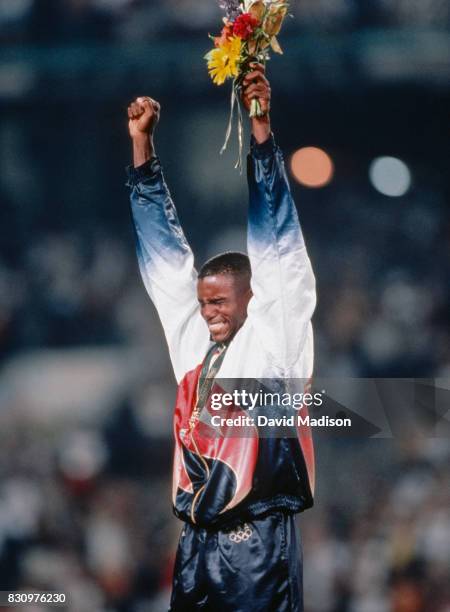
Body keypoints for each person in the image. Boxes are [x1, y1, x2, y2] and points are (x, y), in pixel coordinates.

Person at [126, 64, 316, 612]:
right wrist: (143, 156)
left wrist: (262, 134)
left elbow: (280, 251)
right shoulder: (195, 352)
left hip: (256, 543)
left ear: (251, 298)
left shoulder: (274, 344)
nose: (206, 312)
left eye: (220, 302)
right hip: (196, 541)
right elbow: (163, 266)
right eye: (203, 301)